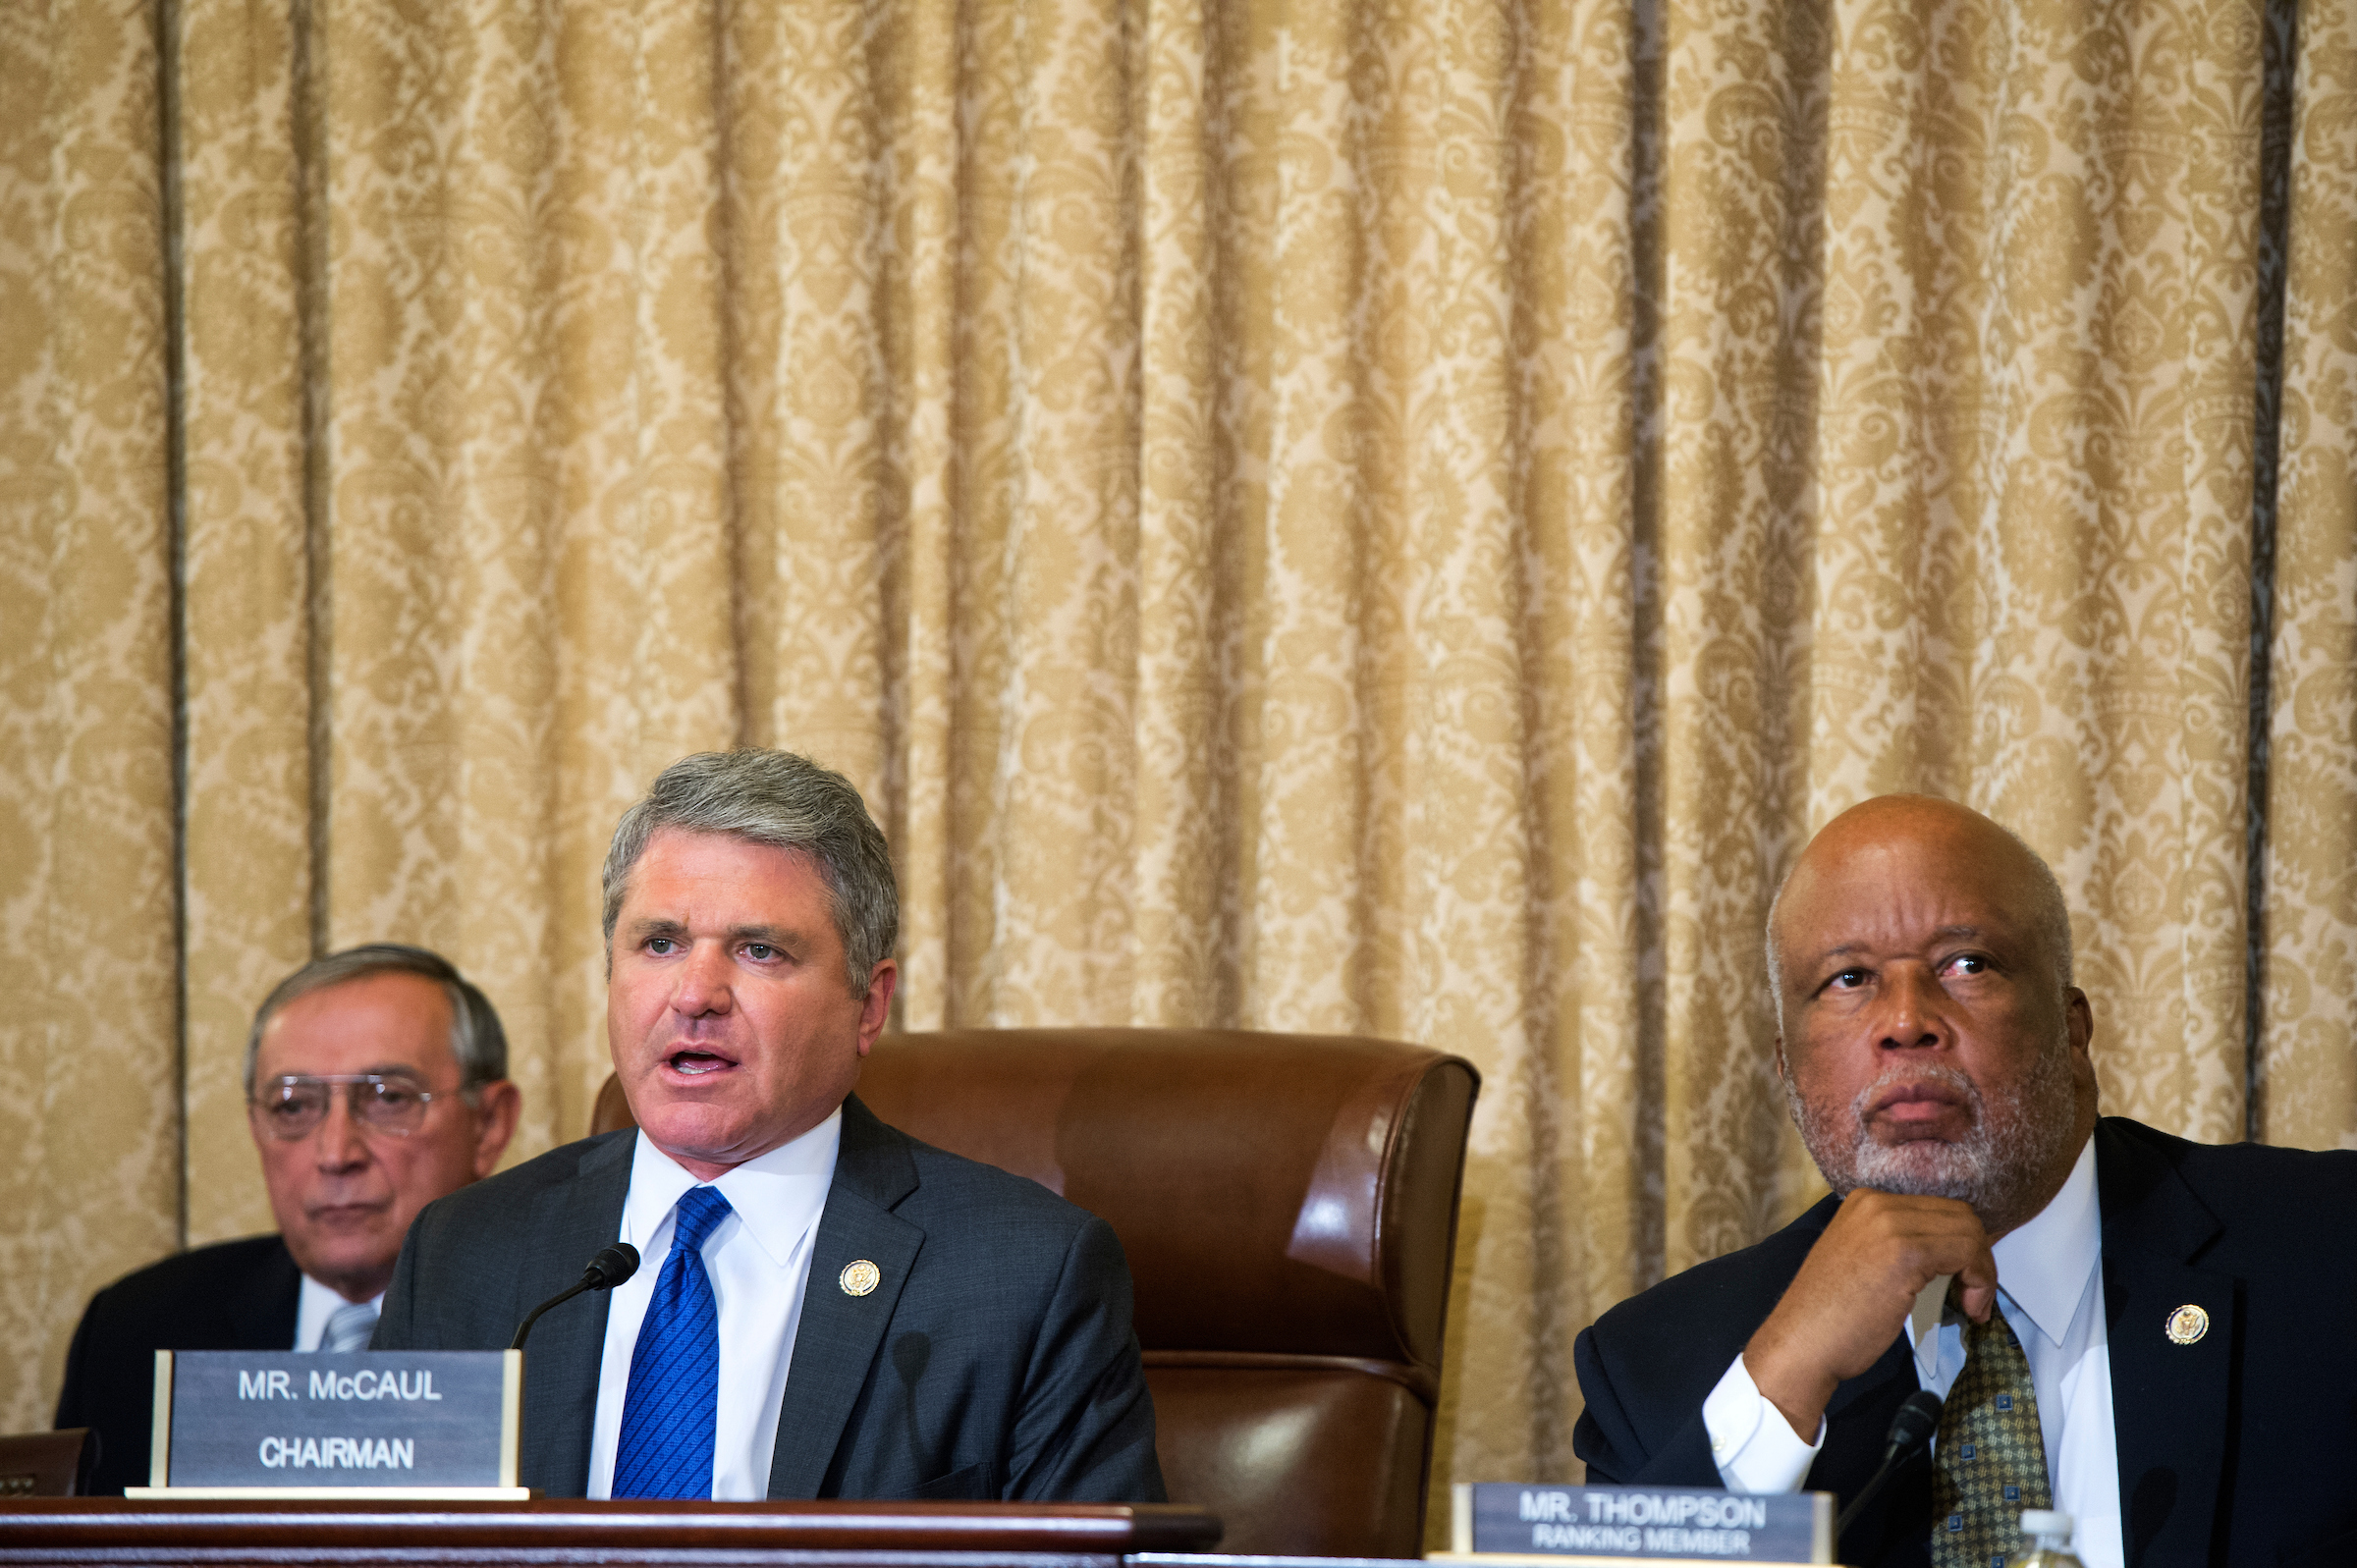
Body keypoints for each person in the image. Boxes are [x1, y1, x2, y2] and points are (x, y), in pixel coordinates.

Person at [1573, 794, 2357, 1568]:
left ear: (2072, 1029)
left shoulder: (2329, 1251)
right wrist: (1786, 1378)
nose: (1906, 1020)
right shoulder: (1656, 1371)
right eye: (1849, 978)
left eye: (1967, 963)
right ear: (1788, 1069)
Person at [375, 749, 1164, 1503]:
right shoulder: (464, 1254)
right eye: (660, 943)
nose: (695, 993)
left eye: (759, 950)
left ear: (870, 1003)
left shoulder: (1026, 1278)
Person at [55, 945, 521, 1495]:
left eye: (388, 1098)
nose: (335, 1152)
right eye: (294, 1106)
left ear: (489, 1125)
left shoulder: (566, 1329)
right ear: (256, 1127)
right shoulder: (137, 1331)